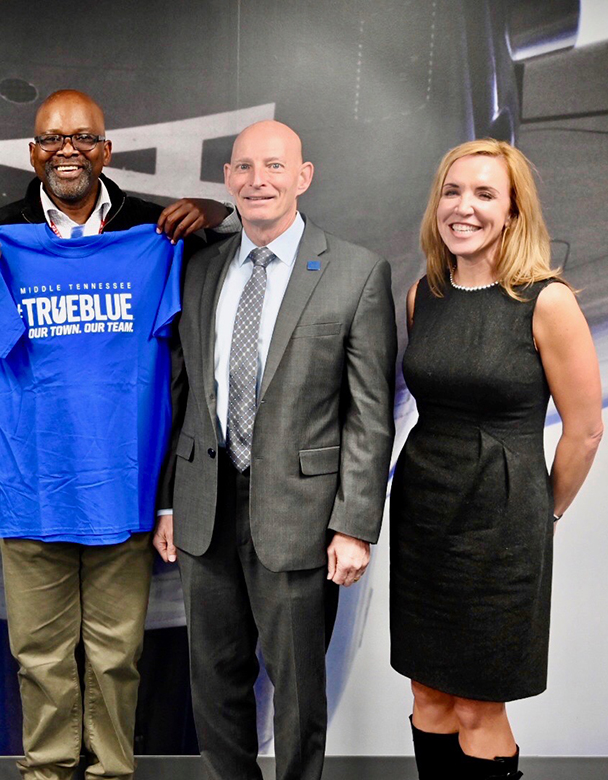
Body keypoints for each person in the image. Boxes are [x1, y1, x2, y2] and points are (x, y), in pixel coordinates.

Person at [0, 88, 232, 779]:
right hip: (32, 485)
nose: (66, 150)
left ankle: (110, 775)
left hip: (122, 484)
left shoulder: (154, 235)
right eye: (52, 139)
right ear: (33, 152)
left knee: (115, 655)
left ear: (105, 150)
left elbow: (234, 256)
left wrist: (213, 210)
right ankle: (47, 775)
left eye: (81, 138)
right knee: (40, 655)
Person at [153, 120, 397, 780]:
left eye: (274, 166)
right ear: (227, 178)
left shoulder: (355, 271)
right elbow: (182, 396)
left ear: (303, 177)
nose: (257, 180)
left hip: (302, 516)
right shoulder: (198, 269)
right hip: (205, 509)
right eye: (244, 167)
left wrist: (354, 524)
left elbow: (369, 415)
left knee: (296, 689)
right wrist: (170, 502)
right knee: (214, 682)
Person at [390, 139, 603, 780]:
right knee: (428, 691)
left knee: (479, 705)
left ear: (512, 212)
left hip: (501, 526)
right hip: (424, 515)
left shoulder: (547, 301)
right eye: (452, 192)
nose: (464, 207)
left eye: (485, 194)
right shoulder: (423, 295)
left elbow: (585, 432)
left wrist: (541, 513)